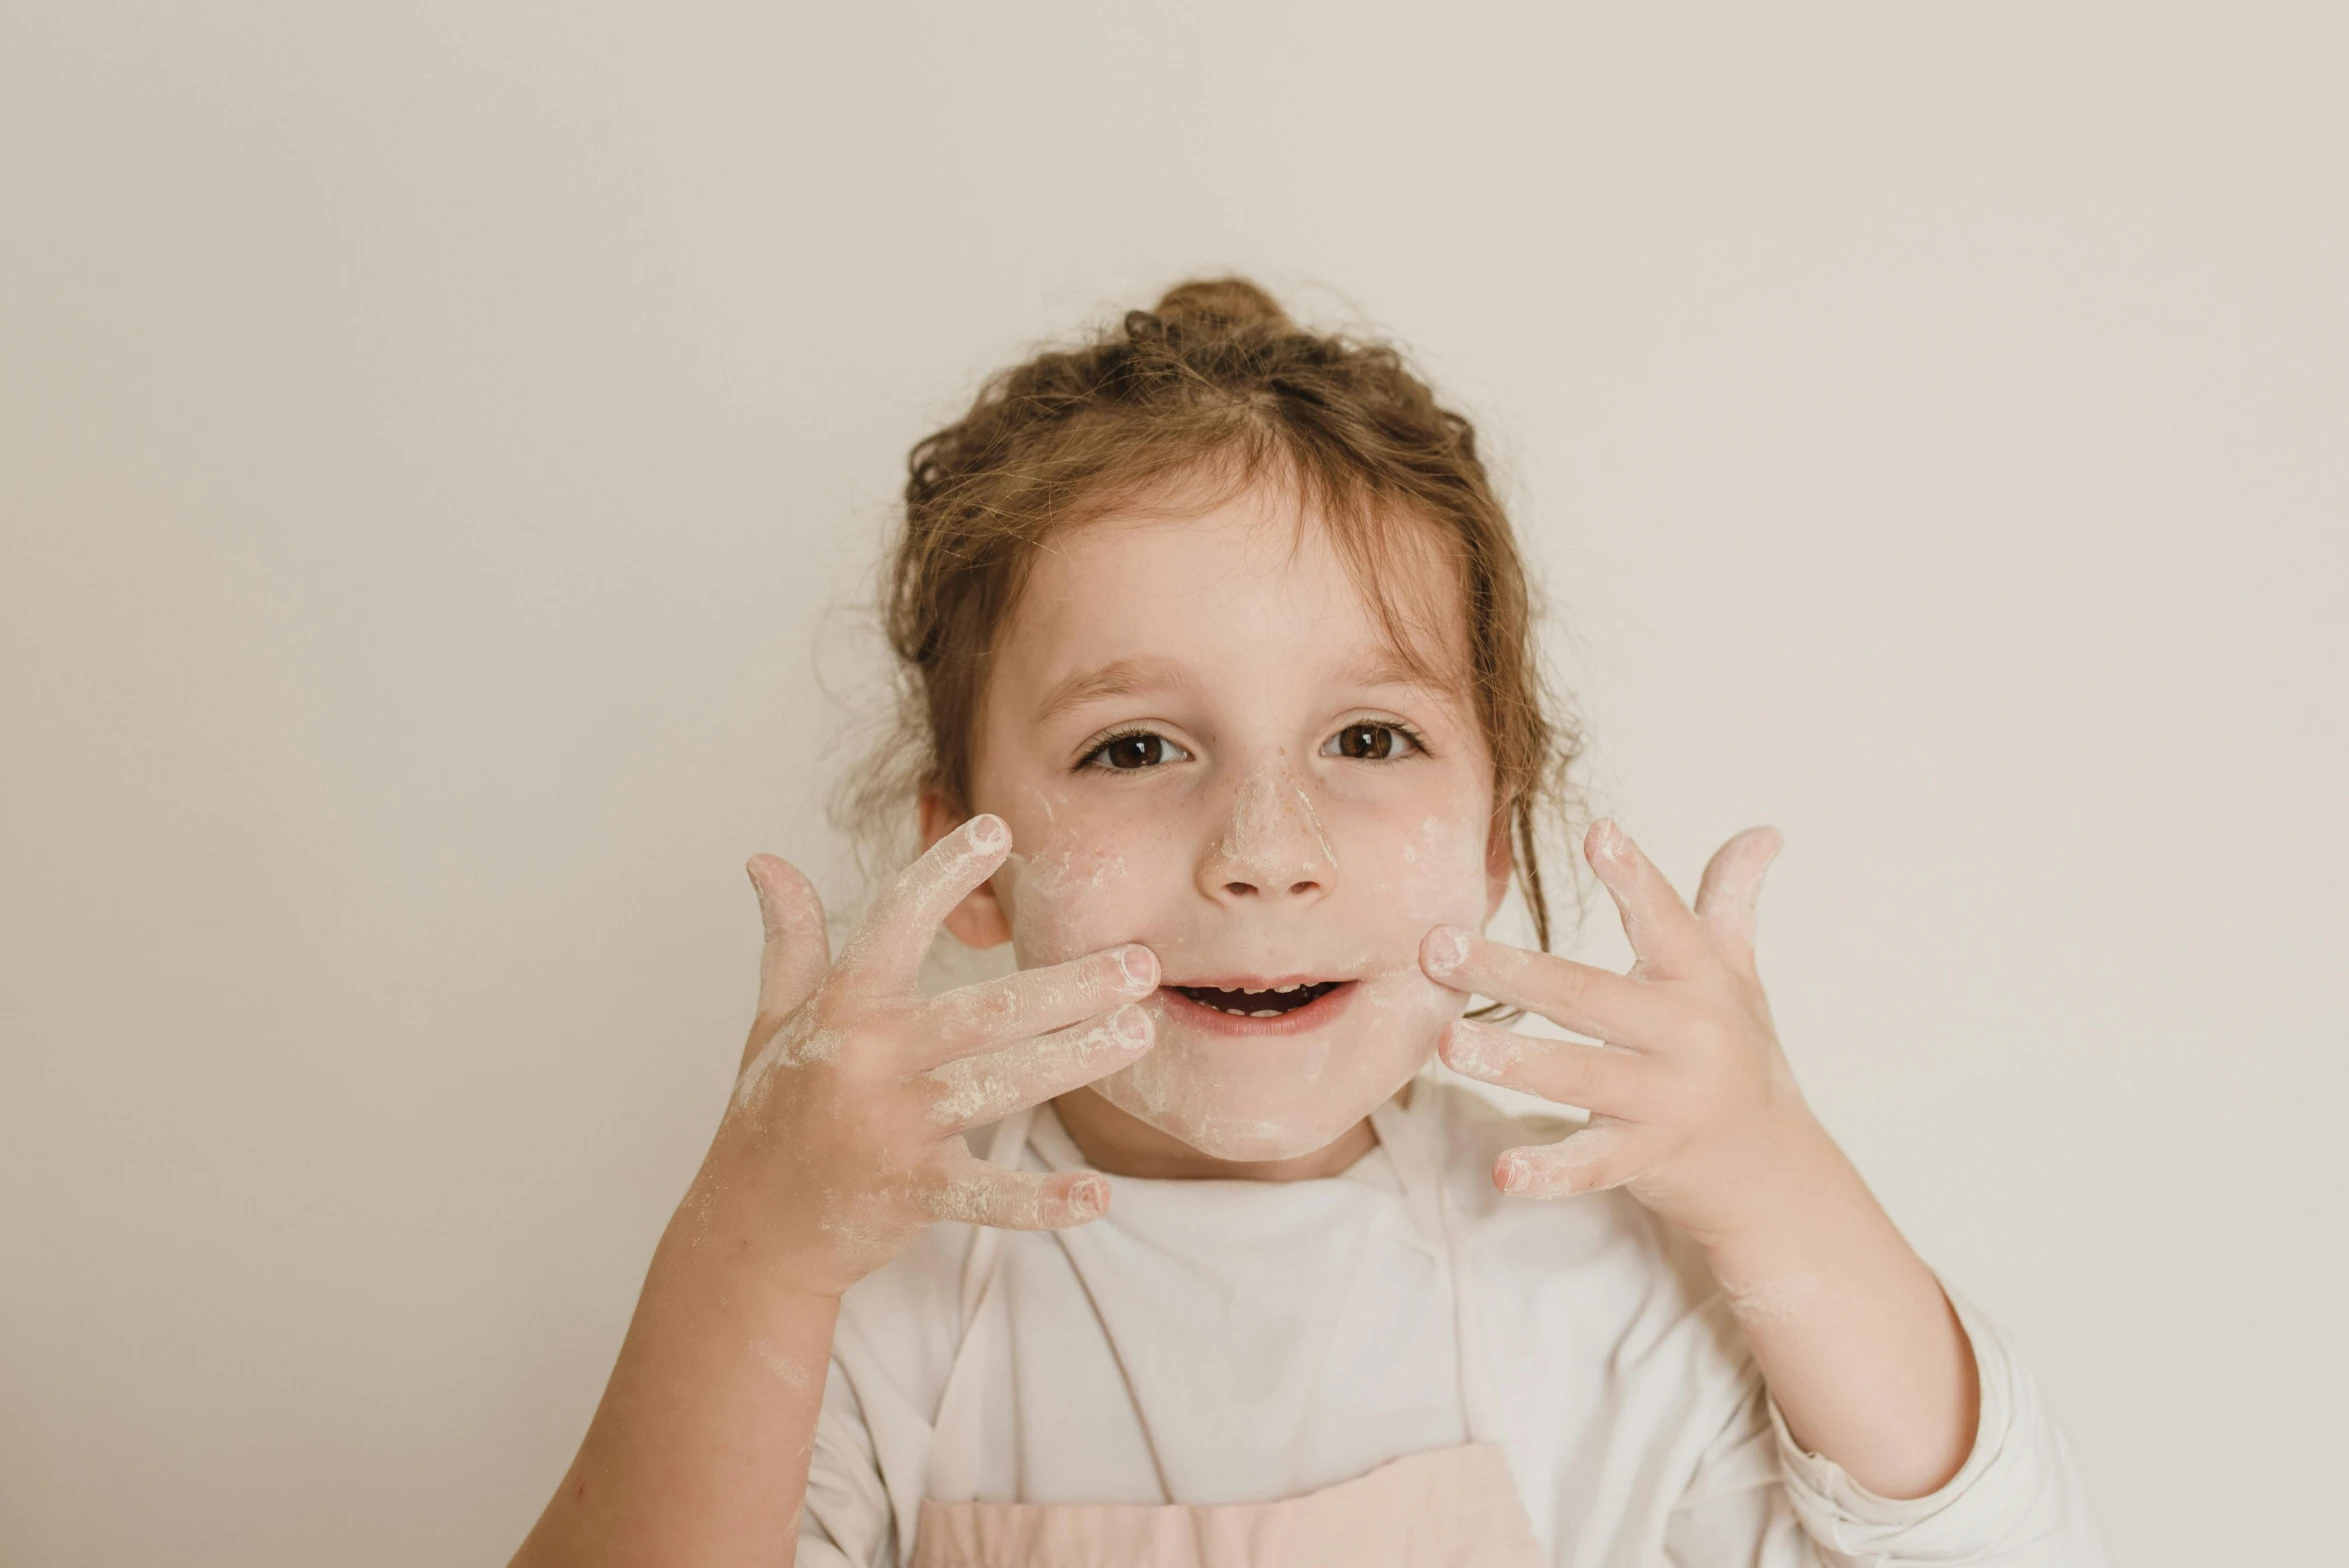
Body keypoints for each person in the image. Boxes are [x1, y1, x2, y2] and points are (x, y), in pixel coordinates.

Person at [511, 279, 2106, 1566]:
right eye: (1136, 750)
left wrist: (1776, 1184)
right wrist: (752, 1260)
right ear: (970, 867)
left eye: (1367, 741)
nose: (1264, 855)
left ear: (1495, 831)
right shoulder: (876, 1303)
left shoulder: (1597, 1277)